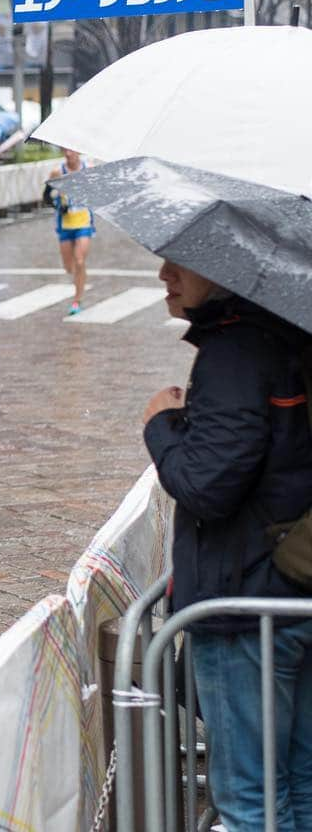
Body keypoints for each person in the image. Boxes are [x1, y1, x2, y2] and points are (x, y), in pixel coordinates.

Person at [143, 261, 312, 831]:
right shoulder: (290, 334)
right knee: (301, 780)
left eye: (182, 264)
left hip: (243, 600)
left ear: (230, 266)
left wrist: (162, 424)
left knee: (250, 798)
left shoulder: (236, 353)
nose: (165, 273)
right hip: (290, 588)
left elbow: (205, 486)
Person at [47, 149, 94, 315]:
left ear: (78, 152)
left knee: (80, 260)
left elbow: (97, 192)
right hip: (65, 224)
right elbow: (46, 196)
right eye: (64, 150)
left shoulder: (88, 169)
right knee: (69, 266)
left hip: (84, 221)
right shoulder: (57, 171)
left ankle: (77, 300)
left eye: (71, 150)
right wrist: (58, 205)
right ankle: (78, 280)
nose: (68, 153)